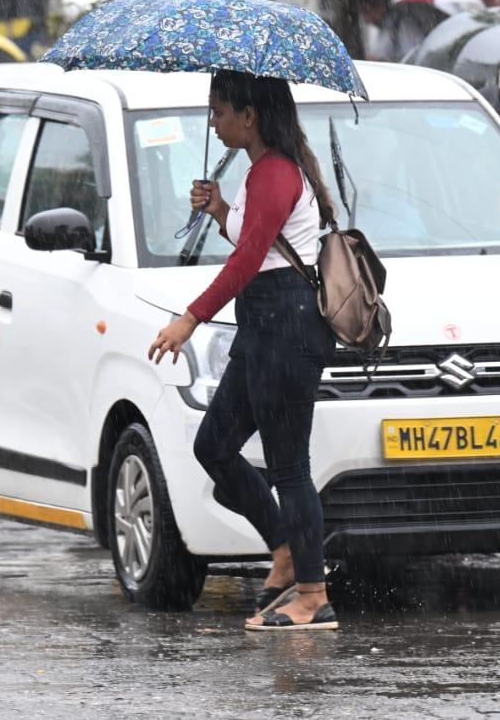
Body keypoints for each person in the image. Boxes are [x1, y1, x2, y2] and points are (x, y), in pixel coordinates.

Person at [148, 70, 339, 632]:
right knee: (215, 445)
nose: (213, 121)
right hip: (263, 327)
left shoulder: (277, 173)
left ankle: (312, 594)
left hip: (286, 328)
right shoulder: (265, 173)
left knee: (289, 468)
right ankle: (283, 549)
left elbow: (249, 260)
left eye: (218, 110)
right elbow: (258, 239)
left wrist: (190, 317)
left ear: (248, 115)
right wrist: (220, 210)